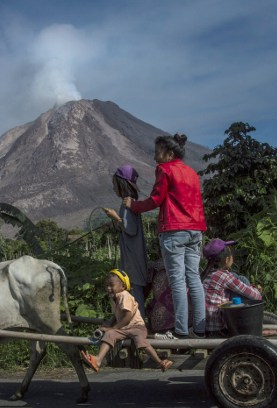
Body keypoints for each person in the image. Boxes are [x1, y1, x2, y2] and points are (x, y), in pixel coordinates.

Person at [124, 133, 207, 340]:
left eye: (157, 152)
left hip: (174, 231)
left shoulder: (165, 169)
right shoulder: (192, 173)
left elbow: (156, 199)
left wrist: (134, 206)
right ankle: (200, 328)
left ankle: (180, 330)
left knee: (177, 281)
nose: (154, 157)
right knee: (194, 279)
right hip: (195, 230)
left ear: (169, 153)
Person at [80, 269, 173, 373]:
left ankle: (160, 362)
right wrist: (108, 326)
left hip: (137, 327)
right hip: (124, 328)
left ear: (123, 286)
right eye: (106, 285)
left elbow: (127, 316)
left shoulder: (124, 295)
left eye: (111, 285)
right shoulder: (114, 298)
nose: (108, 288)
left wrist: (112, 328)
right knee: (110, 335)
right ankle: (98, 360)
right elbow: (116, 316)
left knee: (141, 342)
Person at [101, 165, 148, 319]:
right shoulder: (130, 202)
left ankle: (138, 323)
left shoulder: (127, 205)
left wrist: (115, 218)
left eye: (115, 184)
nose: (113, 188)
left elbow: (131, 229)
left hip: (132, 255)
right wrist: (114, 223)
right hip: (133, 253)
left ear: (122, 185)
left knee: (134, 288)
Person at [202, 239, 263, 336]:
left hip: (205, 327)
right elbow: (257, 297)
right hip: (219, 329)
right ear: (227, 260)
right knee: (243, 281)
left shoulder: (205, 275)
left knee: (239, 278)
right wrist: (255, 289)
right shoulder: (224, 276)